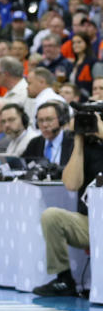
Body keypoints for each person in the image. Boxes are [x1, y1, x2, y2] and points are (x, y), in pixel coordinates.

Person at [34, 112, 103, 296]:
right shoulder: (89, 147)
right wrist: (79, 141)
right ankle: (64, 279)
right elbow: (71, 184)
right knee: (52, 217)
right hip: (90, 221)